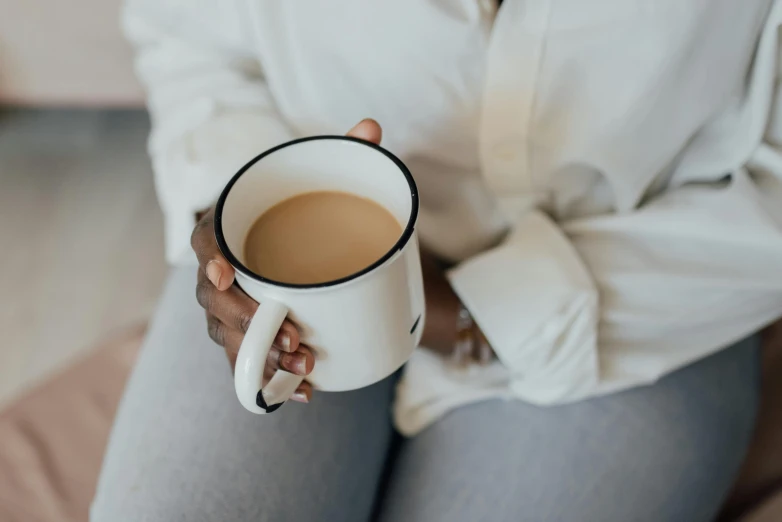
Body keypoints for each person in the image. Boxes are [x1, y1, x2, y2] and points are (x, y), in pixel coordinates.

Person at [92, 1, 782, 520]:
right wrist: (232, 205)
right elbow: (188, 36)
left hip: (653, 299)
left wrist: (484, 315)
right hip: (299, 288)